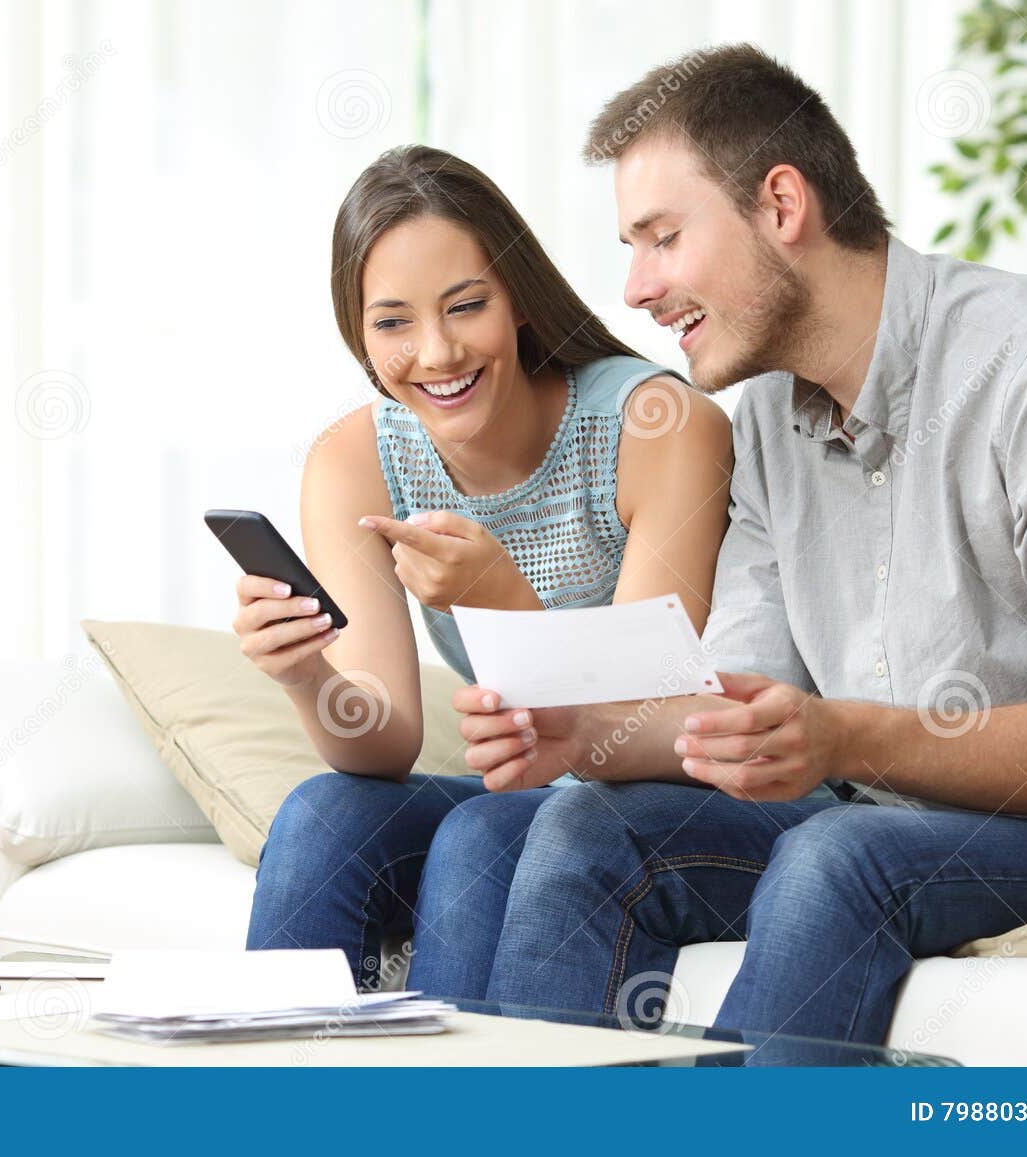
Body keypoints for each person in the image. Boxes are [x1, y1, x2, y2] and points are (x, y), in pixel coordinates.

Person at [451, 44, 1027, 1044]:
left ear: (780, 204)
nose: (635, 288)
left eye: (662, 237)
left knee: (839, 856)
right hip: (894, 820)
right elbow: (741, 691)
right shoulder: (767, 416)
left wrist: (843, 735)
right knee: (580, 825)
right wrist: (588, 731)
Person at [240, 144, 778, 996]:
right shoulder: (356, 461)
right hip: (535, 792)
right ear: (359, 333)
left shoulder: (658, 423)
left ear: (517, 298)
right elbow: (385, 745)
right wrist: (306, 673)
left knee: (483, 833)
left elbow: (647, 710)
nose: (437, 352)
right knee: (321, 814)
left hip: (659, 792)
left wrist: (499, 596)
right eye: (392, 324)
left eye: (466, 306)